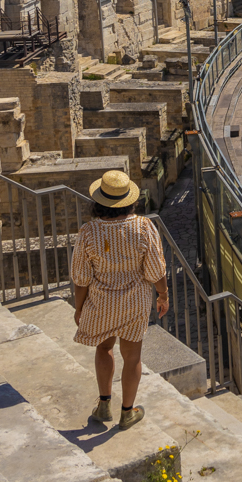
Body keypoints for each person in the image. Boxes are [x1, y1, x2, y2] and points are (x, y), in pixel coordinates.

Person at [71, 170, 169, 432]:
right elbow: (155, 270)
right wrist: (163, 294)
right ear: (130, 200)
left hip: (101, 301)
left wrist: (79, 308)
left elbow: (81, 278)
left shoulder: (88, 232)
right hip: (134, 301)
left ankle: (104, 405)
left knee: (103, 349)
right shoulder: (143, 227)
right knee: (132, 357)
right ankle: (128, 412)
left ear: (99, 201)